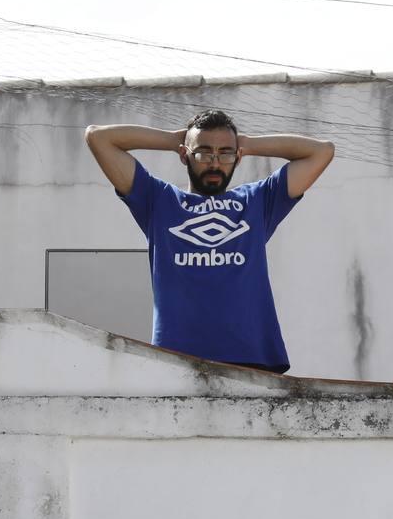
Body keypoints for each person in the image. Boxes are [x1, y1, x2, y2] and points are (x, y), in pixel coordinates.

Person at [84, 110, 334, 373]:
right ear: (185, 155)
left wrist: (246, 144)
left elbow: (322, 151)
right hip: (176, 359)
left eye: (225, 154)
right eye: (203, 153)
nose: (215, 163)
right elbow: (98, 137)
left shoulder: (257, 201)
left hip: (252, 358)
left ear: (237, 158)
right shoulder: (159, 200)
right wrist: (174, 140)